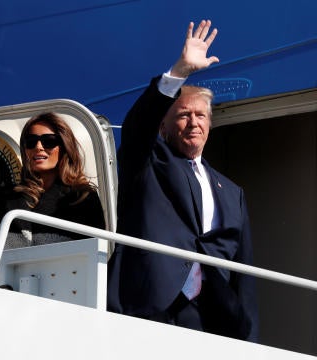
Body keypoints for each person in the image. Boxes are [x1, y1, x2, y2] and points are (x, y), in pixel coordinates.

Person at [107, 20, 258, 341]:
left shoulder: (232, 193)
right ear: (164, 126)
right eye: (183, 114)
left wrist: (248, 338)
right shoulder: (148, 162)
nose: (193, 122)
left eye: (200, 115)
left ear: (210, 124)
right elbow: (137, 129)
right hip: (149, 307)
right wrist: (179, 72)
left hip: (212, 314)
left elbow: (244, 272)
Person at [0, 69, 106, 248]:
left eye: (49, 141)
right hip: (11, 276)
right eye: (31, 142)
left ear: (64, 148)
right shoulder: (12, 197)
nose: (38, 147)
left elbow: (99, 257)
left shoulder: (82, 197)